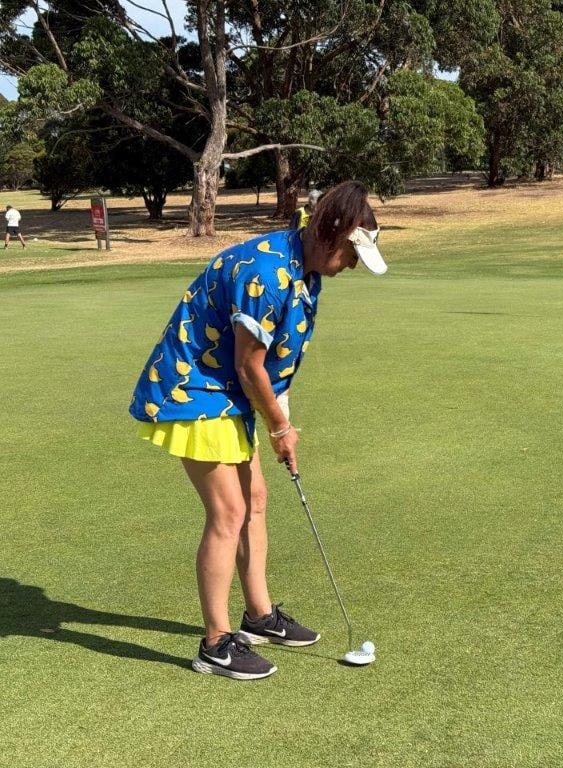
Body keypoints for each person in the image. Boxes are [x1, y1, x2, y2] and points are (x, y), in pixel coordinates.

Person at [129, 181, 386, 680]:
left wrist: (279, 417)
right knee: (228, 512)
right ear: (328, 234)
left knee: (256, 500)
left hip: (226, 391)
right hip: (194, 388)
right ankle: (215, 644)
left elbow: (275, 361)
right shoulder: (267, 274)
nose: (353, 265)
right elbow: (249, 365)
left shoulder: (306, 274)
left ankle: (260, 616)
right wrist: (279, 428)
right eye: (352, 254)